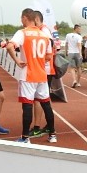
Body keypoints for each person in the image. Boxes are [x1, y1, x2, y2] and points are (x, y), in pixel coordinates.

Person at [6, 8, 58, 144]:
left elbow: (9, 46)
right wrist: (39, 61)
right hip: (41, 74)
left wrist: (17, 61)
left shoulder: (22, 33)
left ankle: (25, 137)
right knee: (46, 104)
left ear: (25, 18)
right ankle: (52, 134)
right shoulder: (44, 34)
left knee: (27, 106)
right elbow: (49, 56)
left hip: (28, 74)